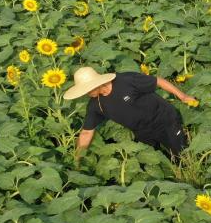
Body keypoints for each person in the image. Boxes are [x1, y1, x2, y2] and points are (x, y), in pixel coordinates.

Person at [64, 66, 197, 163]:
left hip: (164, 119)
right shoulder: (96, 105)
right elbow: (87, 132)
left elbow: (158, 82)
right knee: (154, 161)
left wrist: (183, 96)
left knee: (181, 157)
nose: (86, 93)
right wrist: (77, 156)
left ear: (96, 83)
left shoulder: (126, 80)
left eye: (87, 89)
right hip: (142, 131)